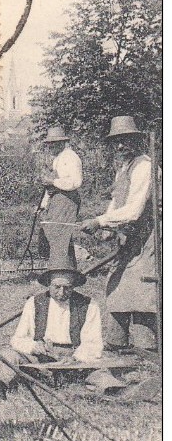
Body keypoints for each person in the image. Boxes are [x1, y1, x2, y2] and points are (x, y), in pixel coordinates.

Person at [0, 223, 121, 400]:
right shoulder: (34, 303)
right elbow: (17, 339)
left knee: (100, 369)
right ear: (48, 284)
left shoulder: (89, 305)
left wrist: (75, 358)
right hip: (40, 359)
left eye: (67, 288)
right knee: (8, 355)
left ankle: (118, 391)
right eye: (56, 287)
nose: (61, 292)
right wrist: (34, 347)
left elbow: (93, 343)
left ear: (74, 285)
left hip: (74, 361)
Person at [79, 116, 158, 350]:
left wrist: (99, 220)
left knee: (143, 289)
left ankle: (147, 350)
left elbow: (134, 210)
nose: (121, 146)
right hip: (131, 236)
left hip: (152, 236)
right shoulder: (122, 169)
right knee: (115, 284)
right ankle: (116, 344)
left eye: (126, 140)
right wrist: (107, 228)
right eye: (117, 142)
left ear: (136, 141)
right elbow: (117, 204)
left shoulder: (145, 166)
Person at [37, 126, 83, 258]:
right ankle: (61, 266)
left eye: (54, 143)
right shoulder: (58, 158)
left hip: (68, 200)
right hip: (57, 200)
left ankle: (62, 268)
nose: (50, 147)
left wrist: (53, 182)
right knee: (53, 232)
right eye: (49, 144)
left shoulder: (71, 157)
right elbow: (51, 185)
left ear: (62, 143)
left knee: (61, 233)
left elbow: (75, 182)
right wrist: (43, 205)